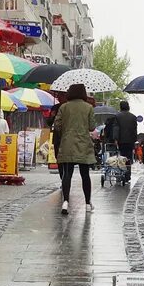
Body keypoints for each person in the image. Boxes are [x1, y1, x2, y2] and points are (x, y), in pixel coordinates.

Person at [52, 83, 97, 214]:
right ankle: (88, 203)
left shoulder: (64, 107)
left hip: (67, 143)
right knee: (85, 174)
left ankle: (65, 202)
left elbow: (57, 125)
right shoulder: (88, 107)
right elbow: (92, 127)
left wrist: (66, 131)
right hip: (83, 144)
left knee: (67, 173)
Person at [110, 101, 140, 181]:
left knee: (121, 157)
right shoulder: (133, 117)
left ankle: (121, 174)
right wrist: (134, 139)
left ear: (120, 107)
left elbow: (116, 128)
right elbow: (134, 129)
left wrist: (116, 139)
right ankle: (128, 175)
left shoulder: (117, 116)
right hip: (130, 140)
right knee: (129, 158)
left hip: (121, 140)